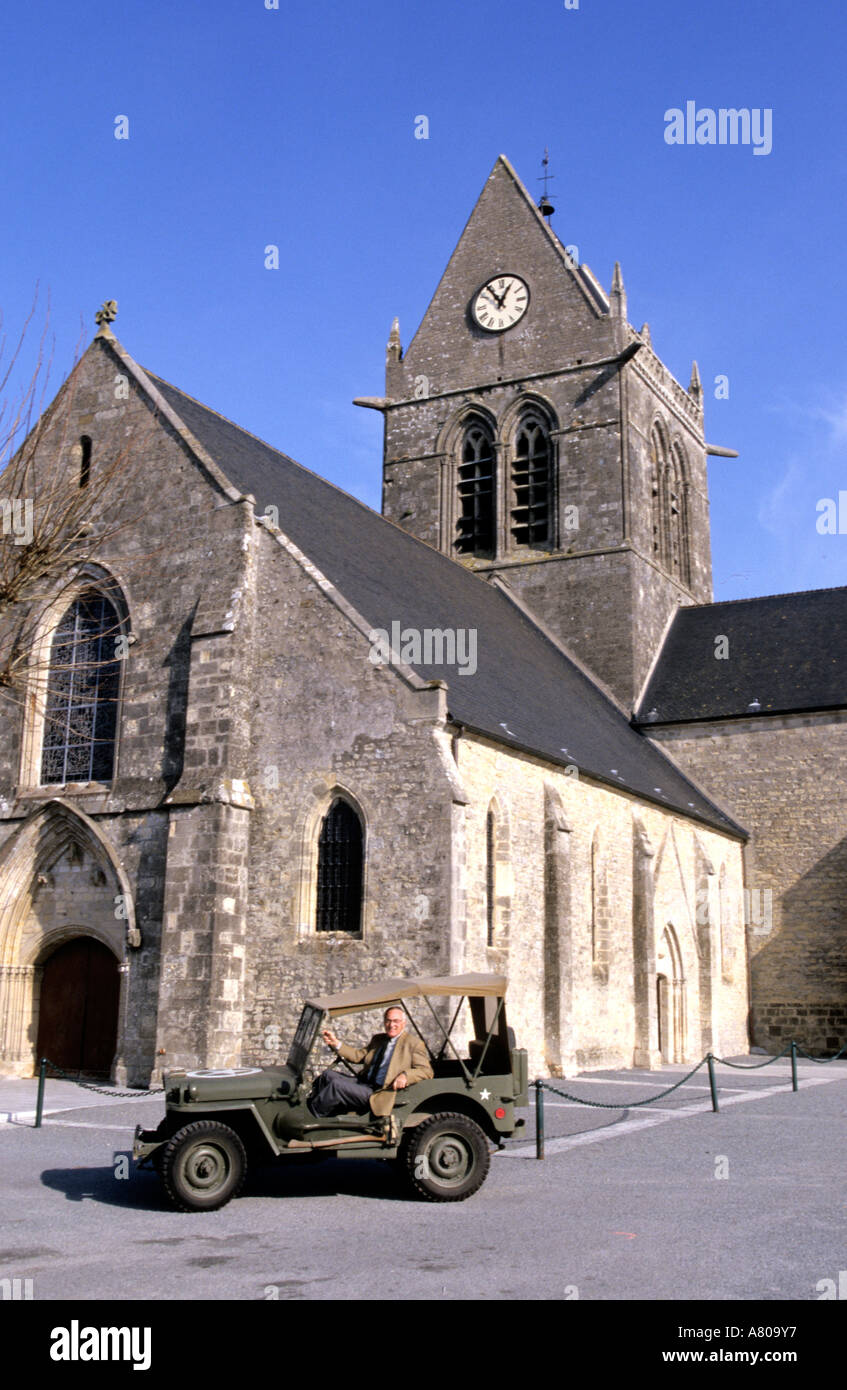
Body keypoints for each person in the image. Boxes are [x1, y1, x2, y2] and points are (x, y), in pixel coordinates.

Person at [307, 1006, 433, 1118]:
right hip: (365, 1083)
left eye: (396, 1021)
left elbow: (426, 1071)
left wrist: (405, 1075)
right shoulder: (378, 1039)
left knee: (336, 1086)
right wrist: (336, 1043)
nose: (391, 1025)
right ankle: (323, 1110)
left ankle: (310, 1116)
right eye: (388, 1021)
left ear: (403, 1023)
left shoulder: (413, 1044)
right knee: (327, 1075)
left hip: (379, 1092)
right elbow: (358, 1056)